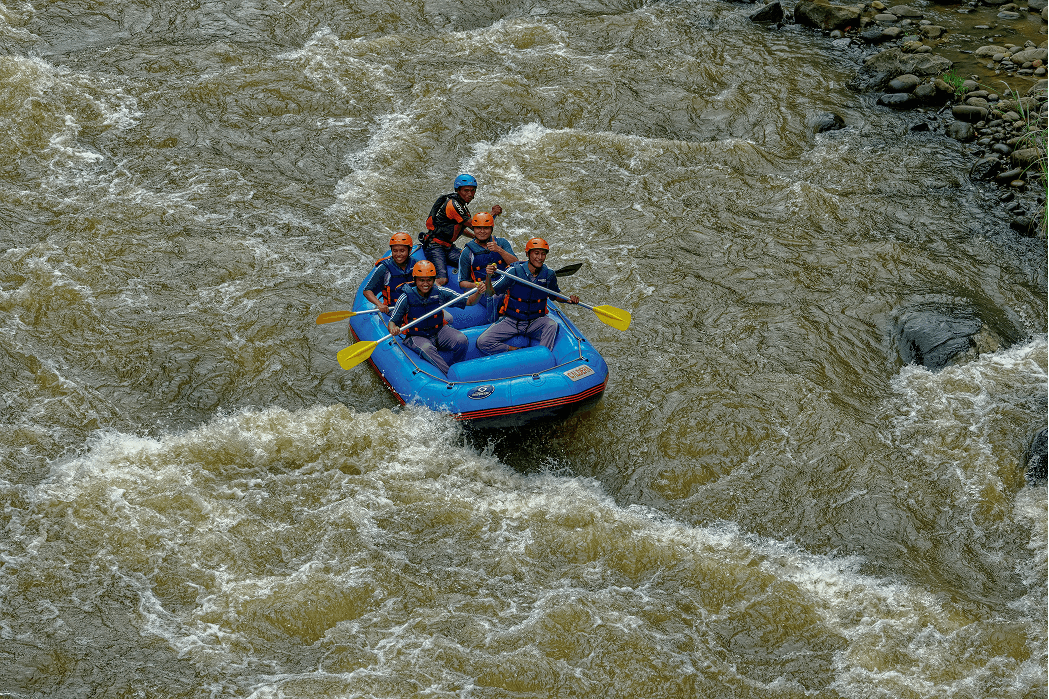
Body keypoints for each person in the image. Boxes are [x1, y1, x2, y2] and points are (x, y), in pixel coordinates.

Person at [477, 237, 579, 355]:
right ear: (527, 254)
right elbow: (490, 293)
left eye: (543, 254)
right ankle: (514, 350)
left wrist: (568, 299)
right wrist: (488, 276)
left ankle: (541, 356)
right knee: (482, 341)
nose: (540, 257)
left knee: (552, 325)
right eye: (536, 253)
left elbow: (555, 295)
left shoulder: (549, 274)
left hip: (536, 321)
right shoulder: (513, 272)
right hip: (512, 321)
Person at [388, 260, 484, 375]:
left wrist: (478, 293)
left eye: (429, 280)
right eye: (421, 280)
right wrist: (393, 329)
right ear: (415, 280)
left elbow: (469, 301)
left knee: (461, 340)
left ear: (434, 280)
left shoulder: (440, 292)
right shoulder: (405, 297)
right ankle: (448, 375)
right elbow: (392, 322)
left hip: (438, 330)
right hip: (416, 335)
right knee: (427, 348)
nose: (425, 284)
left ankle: (457, 367)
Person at [422, 173, 502, 287]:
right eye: (466, 190)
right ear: (458, 190)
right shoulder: (454, 205)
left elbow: (459, 228)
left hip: (448, 247)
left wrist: (474, 237)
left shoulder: (461, 205)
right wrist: (492, 213)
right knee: (442, 280)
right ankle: (424, 294)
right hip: (435, 246)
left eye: (473, 190)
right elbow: (475, 225)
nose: (470, 194)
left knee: (471, 263)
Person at [458, 212, 518, 323]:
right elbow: (462, 283)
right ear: (473, 229)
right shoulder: (467, 252)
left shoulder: (501, 243)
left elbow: (516, 265)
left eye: (486, 228)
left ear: (491, 229)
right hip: (485, 290)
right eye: (478, 228)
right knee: (494, 297)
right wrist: (477, 286)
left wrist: (499, 250)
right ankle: (495, 323)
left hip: (505, 285)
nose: (482, 231)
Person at [363, 232, 414, 315]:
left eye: (402, 251)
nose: (398, 254)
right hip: (393, 309)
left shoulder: (417, 265)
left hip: (414, 305)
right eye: (395, 251)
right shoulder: (384, 268)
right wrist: (379, 304)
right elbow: (367, 291)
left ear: (410, 250)